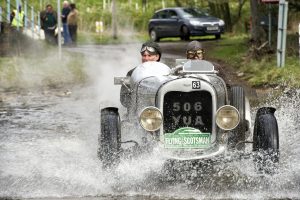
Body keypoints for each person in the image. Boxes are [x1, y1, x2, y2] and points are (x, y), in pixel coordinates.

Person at [120, 41, 165, 108]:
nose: (146, 59)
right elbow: (123, 98)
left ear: (157, 56)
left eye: (149, 55)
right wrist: (137, 103)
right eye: (144, 55)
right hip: (138, 112)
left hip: (160, 112)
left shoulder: (165, 72)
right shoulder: (132, 73)